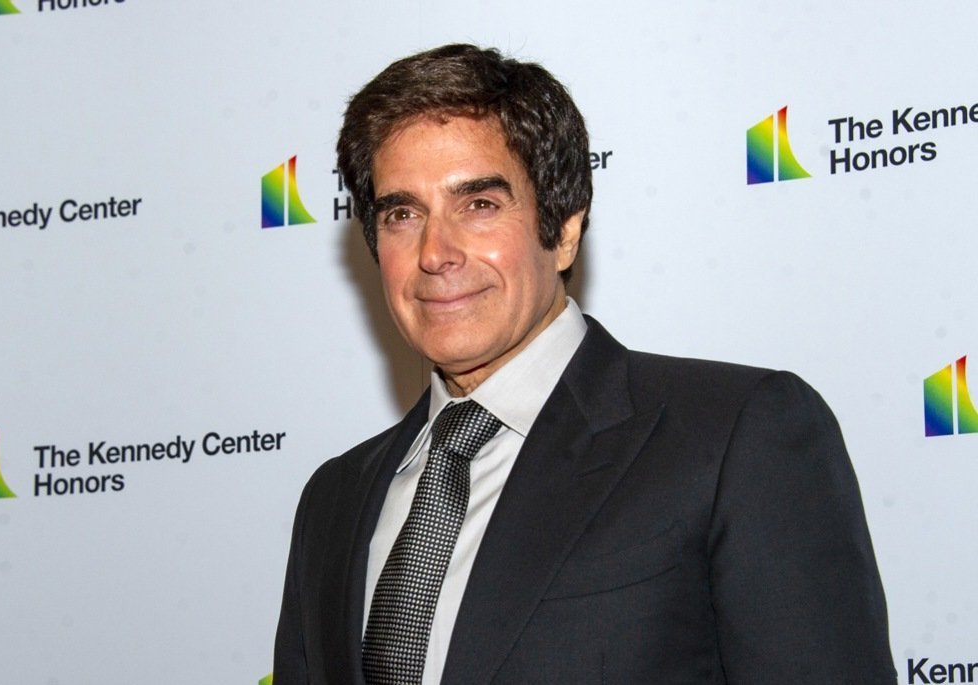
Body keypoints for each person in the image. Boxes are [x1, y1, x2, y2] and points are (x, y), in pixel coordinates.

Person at [273, 43, 896, 684]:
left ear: (565, 229)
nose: (435, 252)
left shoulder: (735, 436)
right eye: (403, 214)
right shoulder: (334, 499)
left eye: (479, 205)